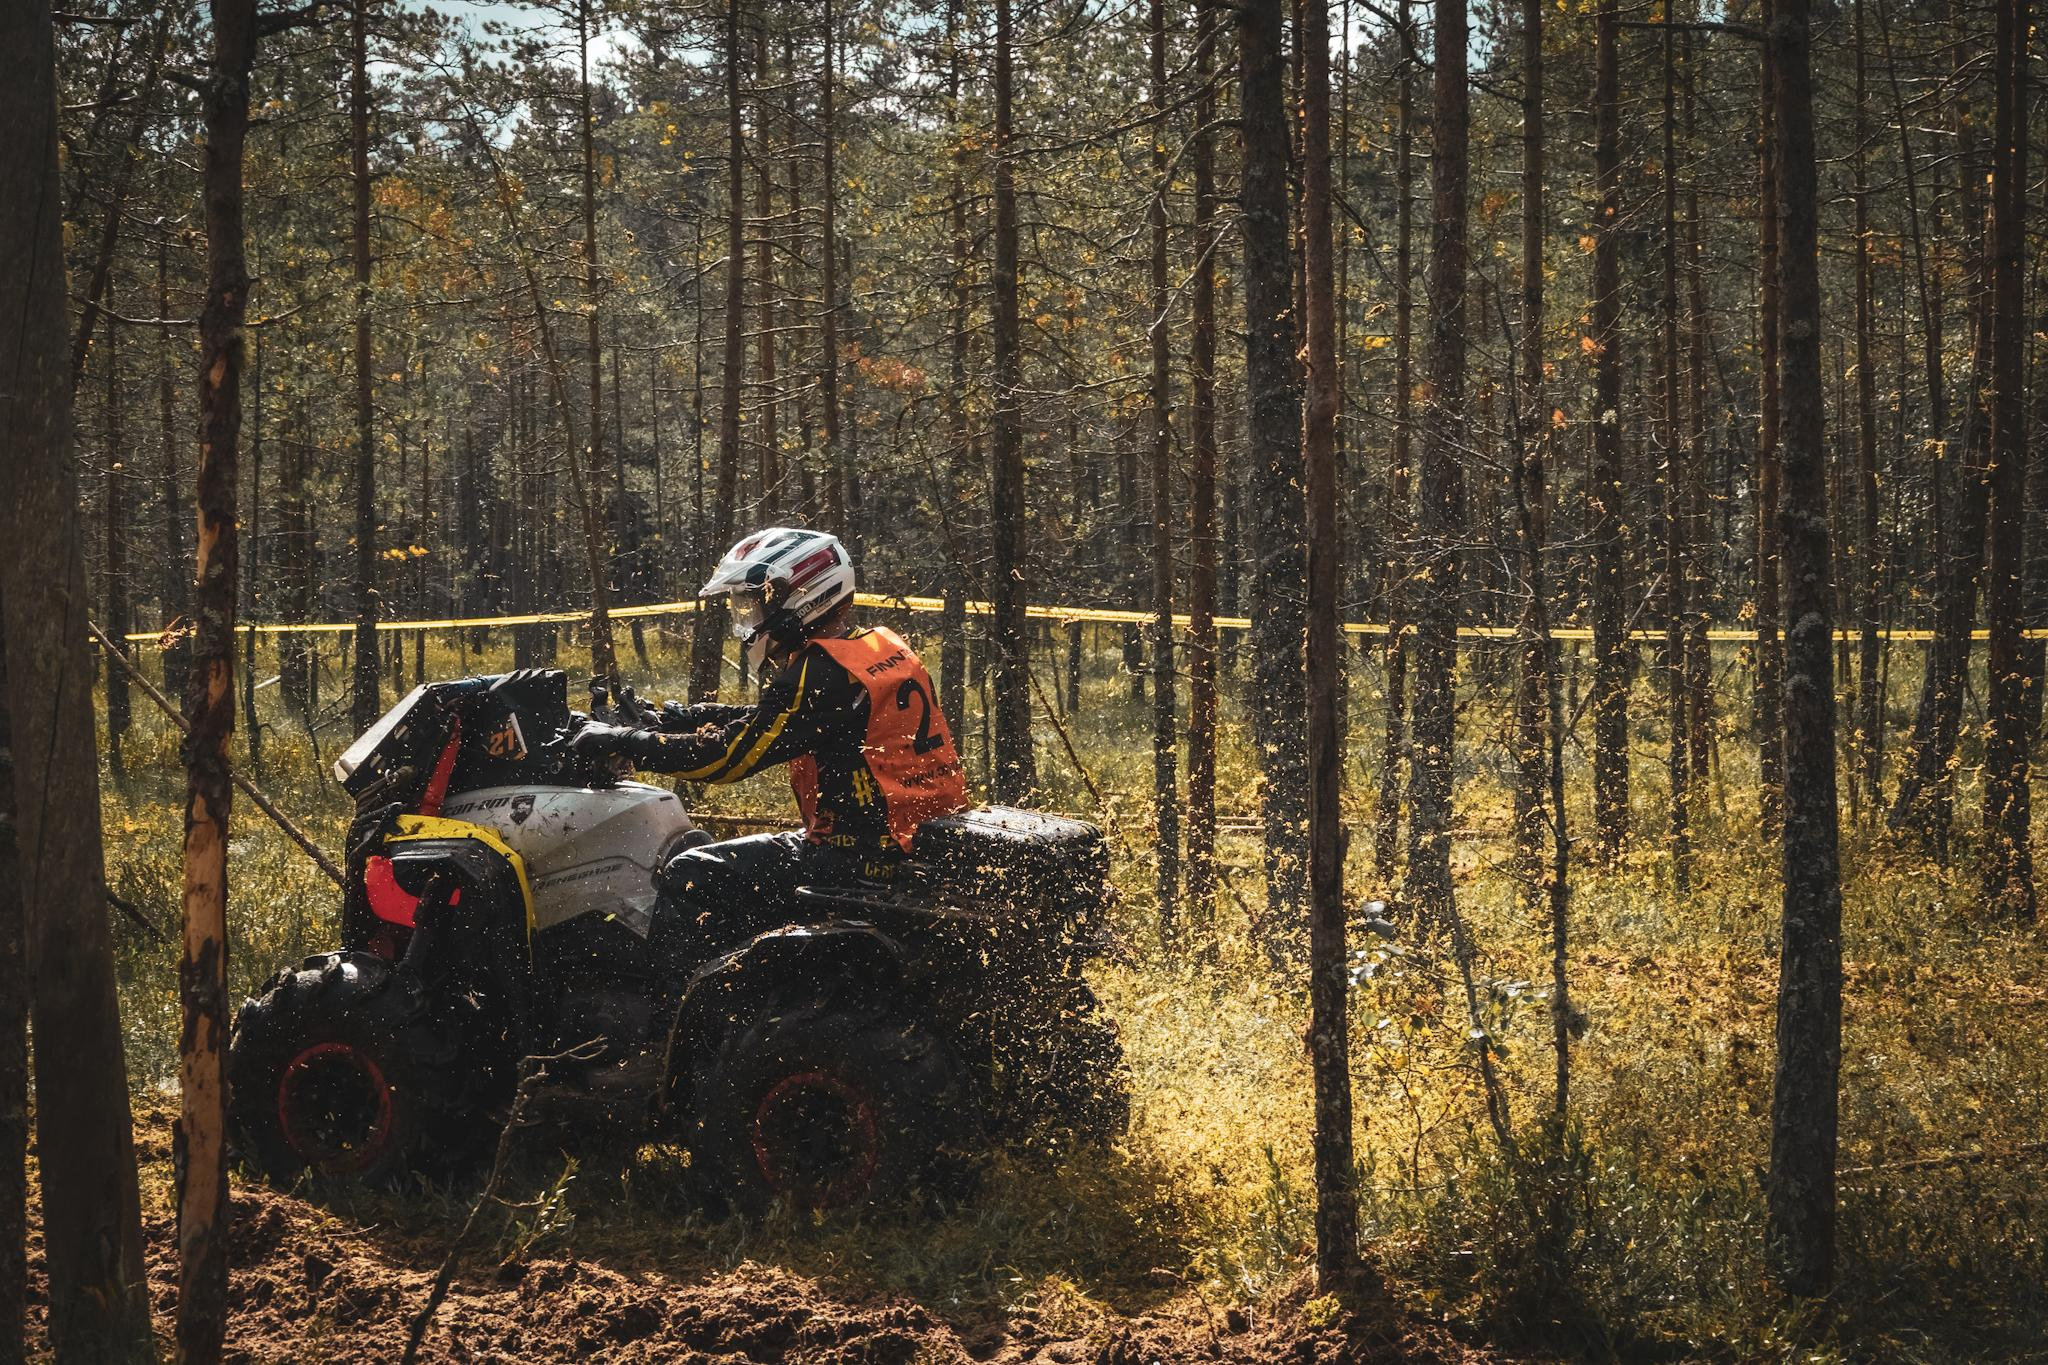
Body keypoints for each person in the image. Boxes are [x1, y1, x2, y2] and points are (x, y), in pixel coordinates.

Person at [570, 527, 970, 953]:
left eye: (756, 605)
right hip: (914, 843)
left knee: (691, 873)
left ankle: (678, 1016)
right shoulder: (871, 650)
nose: (751, 620)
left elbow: (730, 757)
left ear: (800, 598)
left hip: (858, 861)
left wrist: (625, 740)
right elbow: (782, 721)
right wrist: (679, 719)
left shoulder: (818, 672)